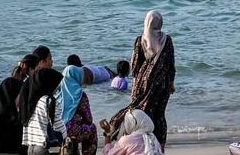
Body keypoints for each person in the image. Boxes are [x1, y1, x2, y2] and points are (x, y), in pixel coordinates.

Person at [106, 10, 176, 145]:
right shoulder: (167, 40)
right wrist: (171, 83)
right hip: (161, 84)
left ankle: (139, 144)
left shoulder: (140, 40)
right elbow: (170, 65)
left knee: (140, 113)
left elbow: (135, 66)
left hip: (142, 83)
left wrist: (135, 86)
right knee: (159, 115)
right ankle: (159, 147)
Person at [0, 52, 39, 153]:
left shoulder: (8, 82)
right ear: (30, 70)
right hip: (1, 143)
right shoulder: (21, 87)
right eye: (37, 70)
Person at [22, 67, 66, 155]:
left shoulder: (30, 100)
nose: (58, 87)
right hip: (45, 146)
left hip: (31, 146)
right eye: (56, 84)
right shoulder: (49, 101)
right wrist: (66, 137)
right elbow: (58, 125)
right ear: (49, 84)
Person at [61, 64, 98, 155]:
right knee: (92, 128)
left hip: (56, 130)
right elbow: (88, 119)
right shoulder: (79, 94)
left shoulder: (57, 92)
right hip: (70, 130)